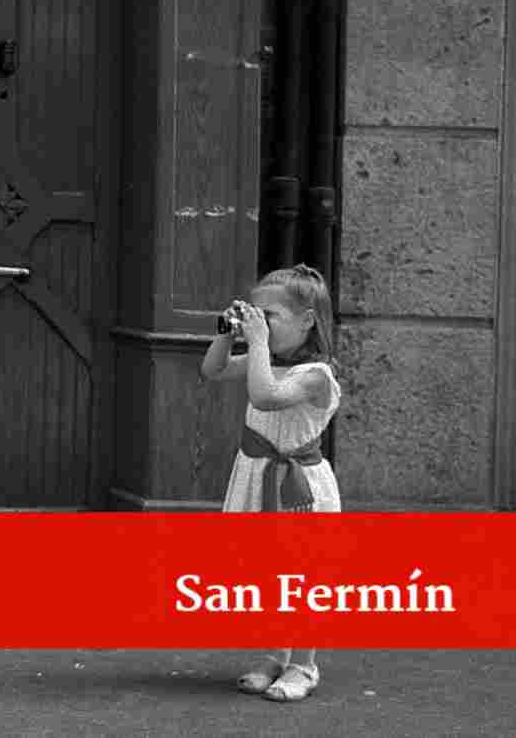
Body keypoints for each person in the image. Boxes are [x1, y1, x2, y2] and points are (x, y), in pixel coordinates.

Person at [198, 263, 342, 703]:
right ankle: (276, 654)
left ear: (307, 322)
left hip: (297, 488)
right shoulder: (267, 361)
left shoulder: (316, 375)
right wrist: (227, 331)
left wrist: (256, 341)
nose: (259, 324)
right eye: (254, 315)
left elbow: (265, 396)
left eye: (270, 317)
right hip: (257, 477)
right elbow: (213, 370)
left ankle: (304, 664)